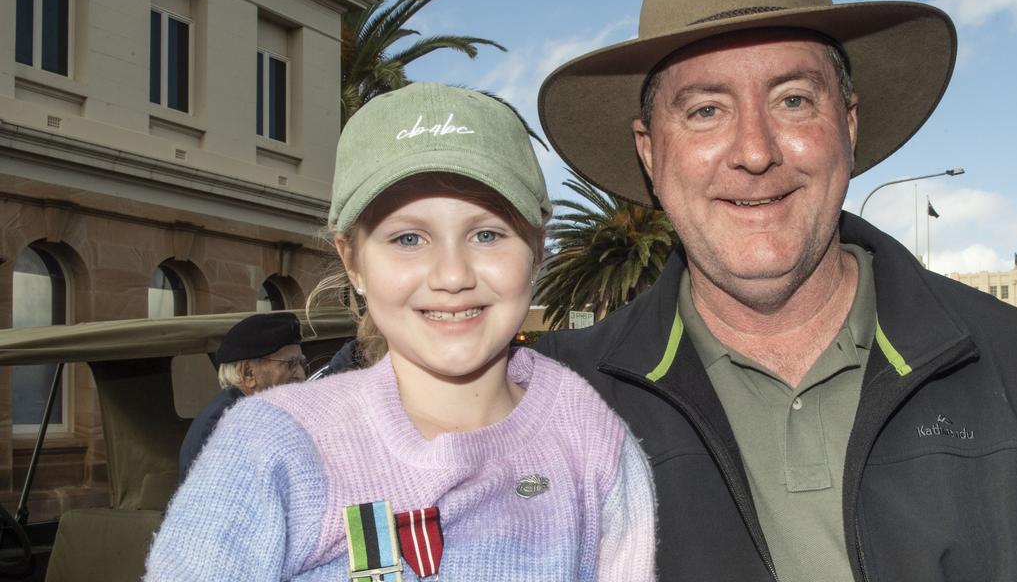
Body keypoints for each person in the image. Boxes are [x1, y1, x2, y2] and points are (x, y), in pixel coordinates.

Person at [536, 0, 1017, 581]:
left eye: (793, 100)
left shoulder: (1008, 359)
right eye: (706, 109)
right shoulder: (557, 402)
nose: (756, 152)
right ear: (651, 151)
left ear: (847, 127)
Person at [148, 83, 656, 580]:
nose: (452, 275)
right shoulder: (271, 447)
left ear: (537, 252)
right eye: (408, 238)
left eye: (487, 234)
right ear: (353, 262)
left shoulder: (592, 445)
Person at [177, 311, 306, 482]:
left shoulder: (250, 412)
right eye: (290, 364)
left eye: (301, 363)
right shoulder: (227, 421)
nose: (301, 375)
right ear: (248, 373)